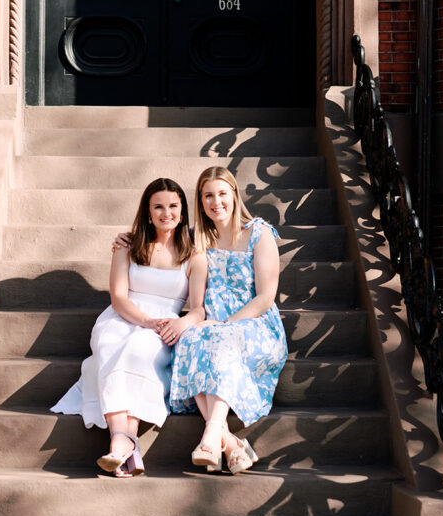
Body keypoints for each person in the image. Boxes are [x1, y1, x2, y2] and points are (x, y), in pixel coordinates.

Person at [51, 178, 206, 477]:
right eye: (158, 206)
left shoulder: (195, 256)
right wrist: (144, 320)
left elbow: (198, 308)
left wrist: (181, 323)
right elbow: (118, 296)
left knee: (138, 350)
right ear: (148, 212)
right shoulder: (127, 246)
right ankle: (125, 441)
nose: (166, 213)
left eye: (173, 206)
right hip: (122, 316)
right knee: (110, 345)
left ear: (183, 211)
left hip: (165, 324)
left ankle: (120, 443)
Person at [168, 166, 288, 474]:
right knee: (189, 337)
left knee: (219, 339)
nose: (215, 202)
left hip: (256, 324)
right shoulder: (201, 242)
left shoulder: (258, 233)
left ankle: (210, 434)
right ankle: (230, 443)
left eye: (222, 193)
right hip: (214, 326)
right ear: (200, 200)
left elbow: (265, 298)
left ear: (234, 196)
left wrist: (226, 324)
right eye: (208, 195)